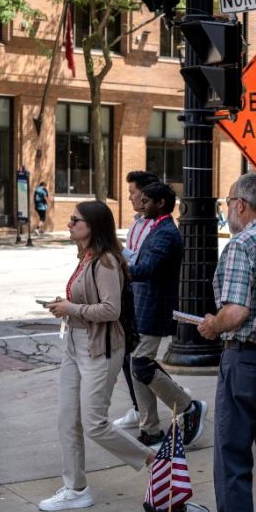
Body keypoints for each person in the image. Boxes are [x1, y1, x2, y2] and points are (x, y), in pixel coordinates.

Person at [38, 201, 157, 511]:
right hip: (75, 347)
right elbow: (86, 301)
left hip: (100, 349)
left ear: (92, 226)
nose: (69, 224)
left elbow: (111, 310)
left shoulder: (105, 261)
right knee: (67, 420)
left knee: (94, 424)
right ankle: (75, 489)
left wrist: (71, 309)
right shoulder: (85, 258)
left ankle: (152, 460)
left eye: (75, 220)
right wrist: (63, 305)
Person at [197, 173, 256, 512]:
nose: (227, 210)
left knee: (232, 457)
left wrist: (213, 324)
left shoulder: (242, 245)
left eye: (228, 203)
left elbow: (236, 311)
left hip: (244, 359)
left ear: (241, 205)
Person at [128, 182, 206, 448]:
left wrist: (118, 264)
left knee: (141, 364)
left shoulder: (165, 233)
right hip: (143, 308)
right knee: (136, 365)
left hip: (154, 309)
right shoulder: (158, 229)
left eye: (147, 201)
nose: (142, 204)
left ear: (161, 203)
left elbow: (147, 269)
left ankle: (188, 406)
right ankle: (150, 430)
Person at [112, 170, 159, 430]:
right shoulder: (138, 223)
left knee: (138, 360)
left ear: (146, 193)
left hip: (143, 298)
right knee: (128, 358)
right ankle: (139, 408)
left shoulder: (157, 227)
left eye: (132, 192)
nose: (129, 197)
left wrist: (121, 253)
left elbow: (142, 264)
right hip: (129, 295)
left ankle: (179, 400)